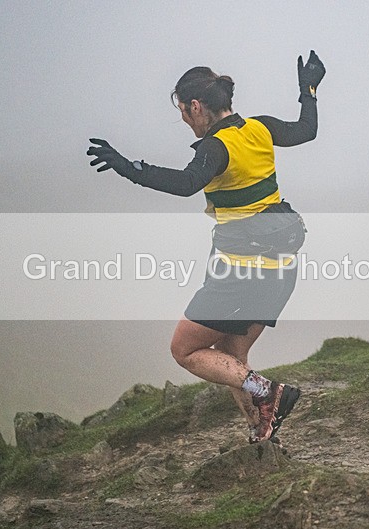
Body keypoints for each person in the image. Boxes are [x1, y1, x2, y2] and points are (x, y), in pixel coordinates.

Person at [87, 51, 326, 443]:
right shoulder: (261, 128)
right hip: (281, 266)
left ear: (196, 106)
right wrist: (309, 90)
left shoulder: (214, 148)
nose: (184, 120)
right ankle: (261, 432)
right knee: (231, 355)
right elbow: (306, 130)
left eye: (183, 111)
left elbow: (185, 184)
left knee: (184, 349)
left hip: (241, 271)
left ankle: (270, 394)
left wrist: (128, 167)